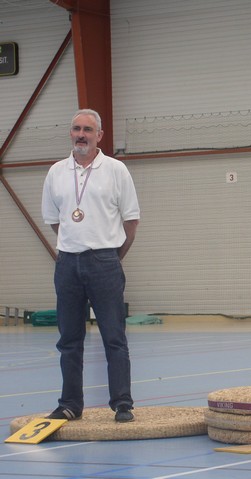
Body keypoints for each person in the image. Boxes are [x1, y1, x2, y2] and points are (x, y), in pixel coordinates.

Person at [41, 109, 140, 422]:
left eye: (87, 129)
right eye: (76, 129)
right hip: (67, 263)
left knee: (114, 336)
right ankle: (70, 404)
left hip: (105, 261)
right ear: (71, 133)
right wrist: (75, 246)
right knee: (69, 340)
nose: (81, 134)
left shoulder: (116, 170)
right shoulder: (56, 172)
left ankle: (122, 403)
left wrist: (110, 256)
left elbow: (131, 220)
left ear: (100, 135)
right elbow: (54, 221)